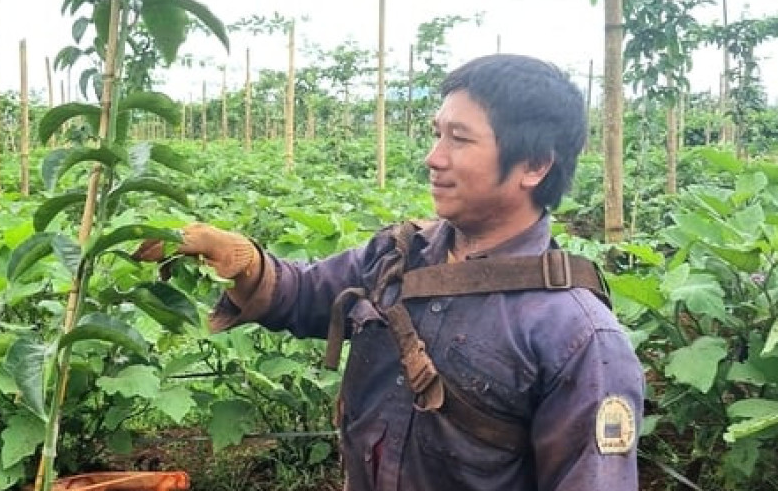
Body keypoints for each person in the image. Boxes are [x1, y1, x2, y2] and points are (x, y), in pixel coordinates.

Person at [163, 54, 643, 490]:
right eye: (438, 133)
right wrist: (246, 261)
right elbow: (306, 292)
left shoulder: (580, 339)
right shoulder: (398, 254)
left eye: (459, 138)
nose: (433, 157)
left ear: (534, 165)